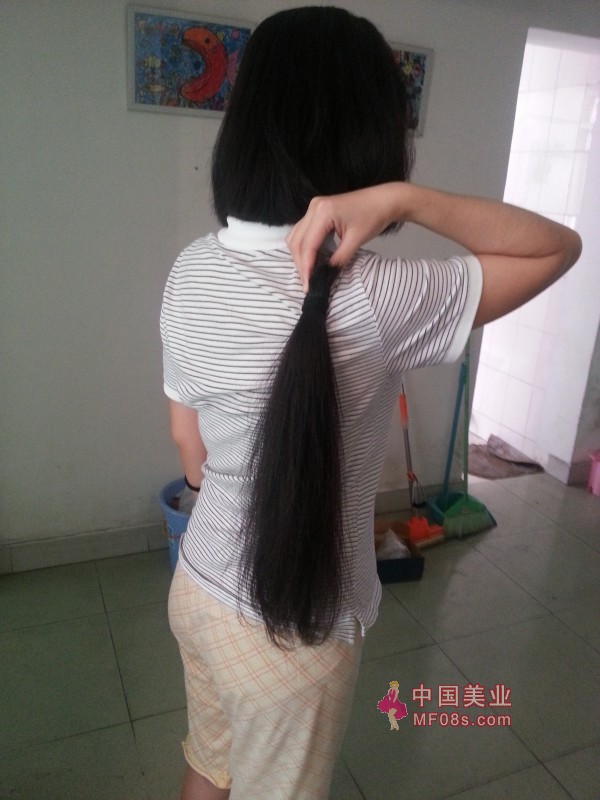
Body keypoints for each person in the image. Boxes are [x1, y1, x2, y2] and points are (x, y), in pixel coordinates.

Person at [160, 7, 581, 800]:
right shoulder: (381, 297)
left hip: (199, 585)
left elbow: (191, 451)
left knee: (210, 764)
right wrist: (403, 200)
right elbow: (557, 246)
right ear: (368, 136)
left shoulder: (191, 269)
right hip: (295, 627)